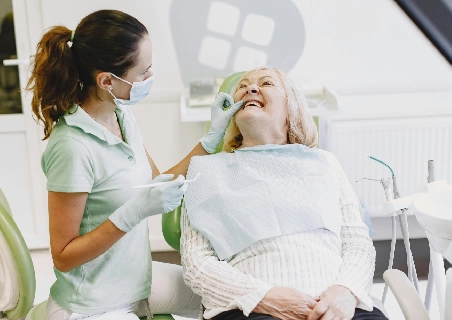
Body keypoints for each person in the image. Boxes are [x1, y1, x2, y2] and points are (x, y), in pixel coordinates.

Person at [26, 9, 241, 320]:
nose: (149, 78)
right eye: (143, 72)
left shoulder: (121, 116)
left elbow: (158, 182)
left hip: (135, 281)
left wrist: (210, 140)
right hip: (91, 305)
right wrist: (132, 213)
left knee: (233, 296)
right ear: (107, 81)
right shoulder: (72, 146)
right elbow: (63, 256)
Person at [181, 67, 388, 320]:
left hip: (336, 305)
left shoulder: (323, 163)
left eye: (266, 83)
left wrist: (345, 292)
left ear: (291, 110)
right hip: (251, 308)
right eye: (243, 86)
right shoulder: (206, 170)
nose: (251, 89)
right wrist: (263, 297)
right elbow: (197, 265)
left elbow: (357, 242)